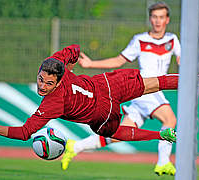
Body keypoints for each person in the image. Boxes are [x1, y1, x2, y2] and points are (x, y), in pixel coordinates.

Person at [0, 44, 199, 170]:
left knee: (148, 93)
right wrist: (72, 59)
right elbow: (73, 49)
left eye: (48, 82)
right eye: (40, 80)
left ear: (58, 80)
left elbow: (24, 134)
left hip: (104, 102)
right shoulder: (56, 65)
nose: (42, 86)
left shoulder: (51, 103)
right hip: (105, 92)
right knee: (153, 87)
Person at [64, 1, 179, 176]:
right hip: (144, 87)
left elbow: (183, 61)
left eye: (161, 17)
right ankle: (163, 162)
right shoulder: (140, 40)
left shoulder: (172, 40)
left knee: (118, 134)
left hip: (155, 90)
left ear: (167, 20)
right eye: (154, 17)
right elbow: (119, 61)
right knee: (170, 120)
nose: (157, 21)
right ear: (150, 19)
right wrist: (90, 64)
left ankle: (76, 146)